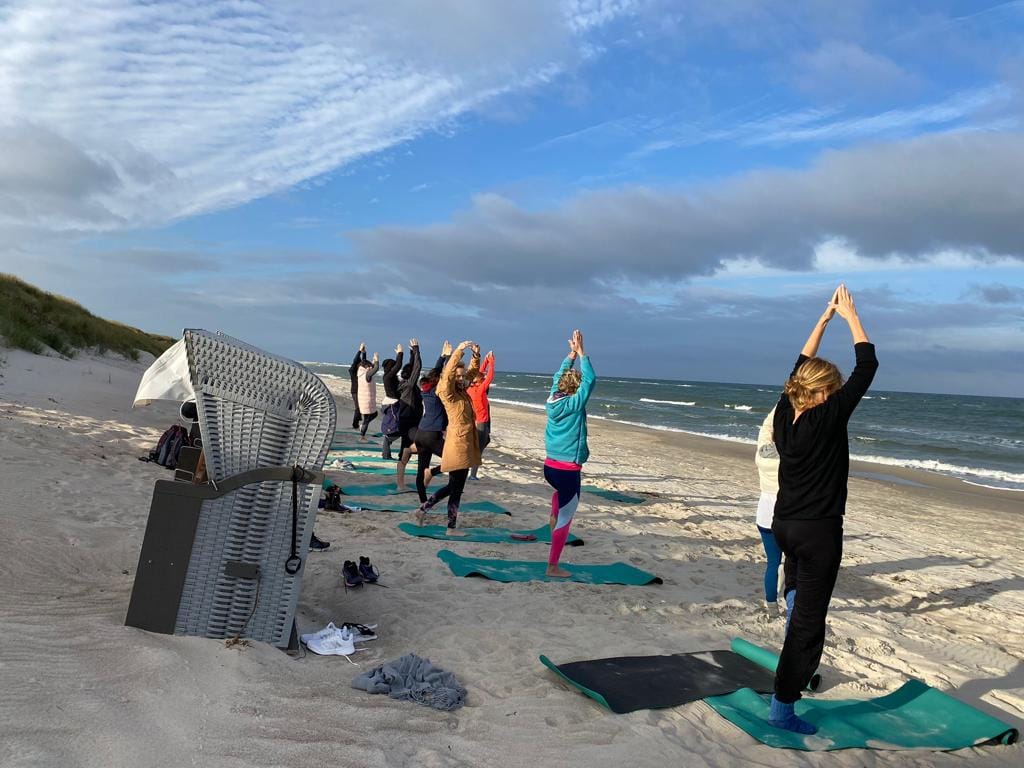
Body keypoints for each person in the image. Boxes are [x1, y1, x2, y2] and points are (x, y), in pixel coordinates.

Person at [767, 284, 878, 735]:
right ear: (825, 392)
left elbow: (798, 366)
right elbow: (867, 365)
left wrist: (823, 320)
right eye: (832, 389)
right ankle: (783, 707)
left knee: (800, 590)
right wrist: (850, 316)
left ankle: (794, 597)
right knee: (808, 630)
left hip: (785, 525)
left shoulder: (782, 414)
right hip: (818, 531)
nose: (837, 394)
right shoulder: (829, 416)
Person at [543, 329, 596, 578]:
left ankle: (554, 513)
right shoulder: (575, 403)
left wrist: (571, 356)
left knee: (560, 498)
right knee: (567, 518)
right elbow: (590, 381)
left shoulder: (552, 398)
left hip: (550, 467)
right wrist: (582, 354)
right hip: (567, 470)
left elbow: (557, 378)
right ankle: (553, 566)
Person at [415, 340, 481, 535]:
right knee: (455, 486)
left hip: (466, 443)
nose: (461, 379)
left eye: (462, 377)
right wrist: (459, 352)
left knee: (456, 485)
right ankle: (442, 522)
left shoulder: (461, 390)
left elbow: (470, 374)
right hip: (457, 444)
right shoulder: (447, 393)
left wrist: (476, 356)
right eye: (457, 377)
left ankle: (425, 511)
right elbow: (450, 374)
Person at [411, 341, 451, 502]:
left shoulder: (426, 389)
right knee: (453, 460)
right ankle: (433, 472)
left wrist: (443, 357)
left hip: (421, 433)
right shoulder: (437, 391)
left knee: (421, 468)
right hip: (431, 434)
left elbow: (437, 372)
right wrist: (449, 358)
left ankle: (422, 501)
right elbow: (445, 374)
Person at [755, 406, 785, 615]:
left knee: (773, 562)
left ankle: (771, 605)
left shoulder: (762, 450)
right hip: (786, 513)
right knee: (792, 563)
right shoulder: (789, 453)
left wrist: (784, 400)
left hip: (764, 513)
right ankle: (790, 601)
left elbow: (766, 424)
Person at [395, 339, 423, 491]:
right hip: (409, 423)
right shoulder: (409, 385)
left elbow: (413, 367)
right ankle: (400, 485)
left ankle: (400, 484)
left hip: (411, 421)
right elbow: (417, 368)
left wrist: (412, 353)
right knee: (408, 450)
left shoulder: (406, 385)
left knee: (407, 451)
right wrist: (417, 350)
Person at [467, 350, 495, 480]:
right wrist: (492, 361)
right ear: (480, 381)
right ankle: (472, 475)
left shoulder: (470, 389)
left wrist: (485, 361)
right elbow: (489, 376)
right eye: (482, 379)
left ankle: (469, 470)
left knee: (484, 441)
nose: (484, 379)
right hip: (481, 423)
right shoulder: (480, 390)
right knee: (479, 450)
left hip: (476, 421)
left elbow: (479, 374)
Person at [380, 344, 404, 459]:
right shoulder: (388, 377)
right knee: (395, 429)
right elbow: (398, 365)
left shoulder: (389, 377)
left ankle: (386, 454)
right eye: (393, 366)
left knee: (394, 427)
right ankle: (386, 454)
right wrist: (400, 353)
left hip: (392, 403)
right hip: (392, 404)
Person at [356, 351, 380, 440]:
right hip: (366, 400)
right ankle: (362, 436)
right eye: (369, 366)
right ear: (366, 367)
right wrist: (377, 360)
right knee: (368, 418)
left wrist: (364, 352)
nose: (371, 368)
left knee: (373, 415)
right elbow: (376, 368)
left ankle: (362, 429)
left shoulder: (361, 373)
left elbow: (365, 362)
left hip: (364, 399)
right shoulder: (367, 374)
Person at [348, 343, 367, 430]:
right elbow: (356, 360)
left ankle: (357, 420)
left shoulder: (361, 372)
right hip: (355, 391)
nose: (362, 366)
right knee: (358, 408)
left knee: (361, 407)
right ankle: (355, 424)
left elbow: (363, 362)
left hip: (361, 391)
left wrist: (364, 353)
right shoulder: (353, 371)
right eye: (360, 365)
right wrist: (359, 351)